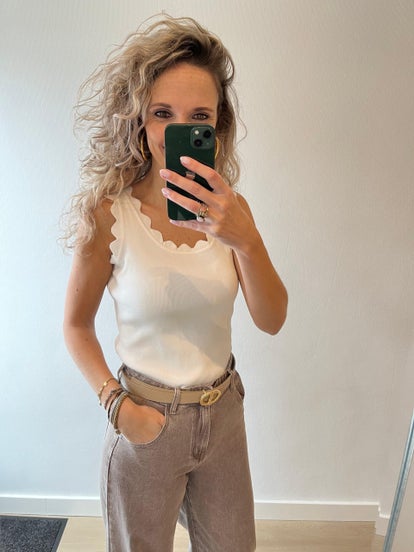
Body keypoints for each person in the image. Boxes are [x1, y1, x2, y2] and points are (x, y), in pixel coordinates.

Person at [63, 14, 288, 552]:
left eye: (198, 117)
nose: (177, 131)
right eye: (162, 113)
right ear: (138, 118)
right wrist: (118, 407)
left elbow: (272, 320)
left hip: (223, 415)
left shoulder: (232, 212)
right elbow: (75, 325)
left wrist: (247, 241)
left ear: (217, 126)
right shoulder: (109, 215)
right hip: (146, 418)